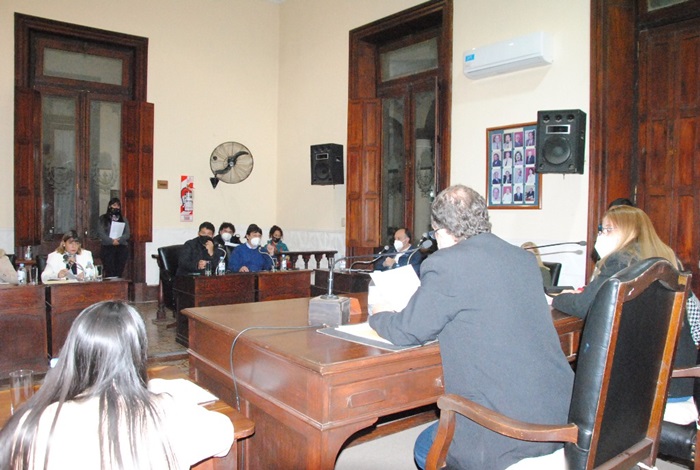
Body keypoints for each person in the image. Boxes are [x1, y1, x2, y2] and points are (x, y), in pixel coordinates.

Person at [369, 185, 574, 469]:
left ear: (442, 232)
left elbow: (407, 331)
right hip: (561, 414)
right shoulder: (524, 259)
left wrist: (379, 314)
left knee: (425, 447)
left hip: (509, 432)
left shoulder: (447, 263)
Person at [0, 301, 233, 469]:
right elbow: (224, 430)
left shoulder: (32, 424)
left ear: (74, 351)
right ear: (138, 354)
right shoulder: (168, 413)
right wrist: (167, 398)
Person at [552, 205, 698, 422]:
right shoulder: (665, 262)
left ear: (630, 231)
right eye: (601, 229)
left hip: (645, 389)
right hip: (677, 381)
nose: (601, 235)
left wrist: (558, 297)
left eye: (608, 230)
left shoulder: (621, 261)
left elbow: (583, 306)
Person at [96, 197, 130, 278]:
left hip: (121, 247)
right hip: (107, 247)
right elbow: (101, 233)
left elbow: (127, 234)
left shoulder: (123, 219)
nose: (116, 207)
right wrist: (111, 241)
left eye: (118, 206)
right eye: (114, 205)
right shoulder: (102, 219)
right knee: (109, 271)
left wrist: (119, 240)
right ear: (109, 206)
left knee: (119, 271)